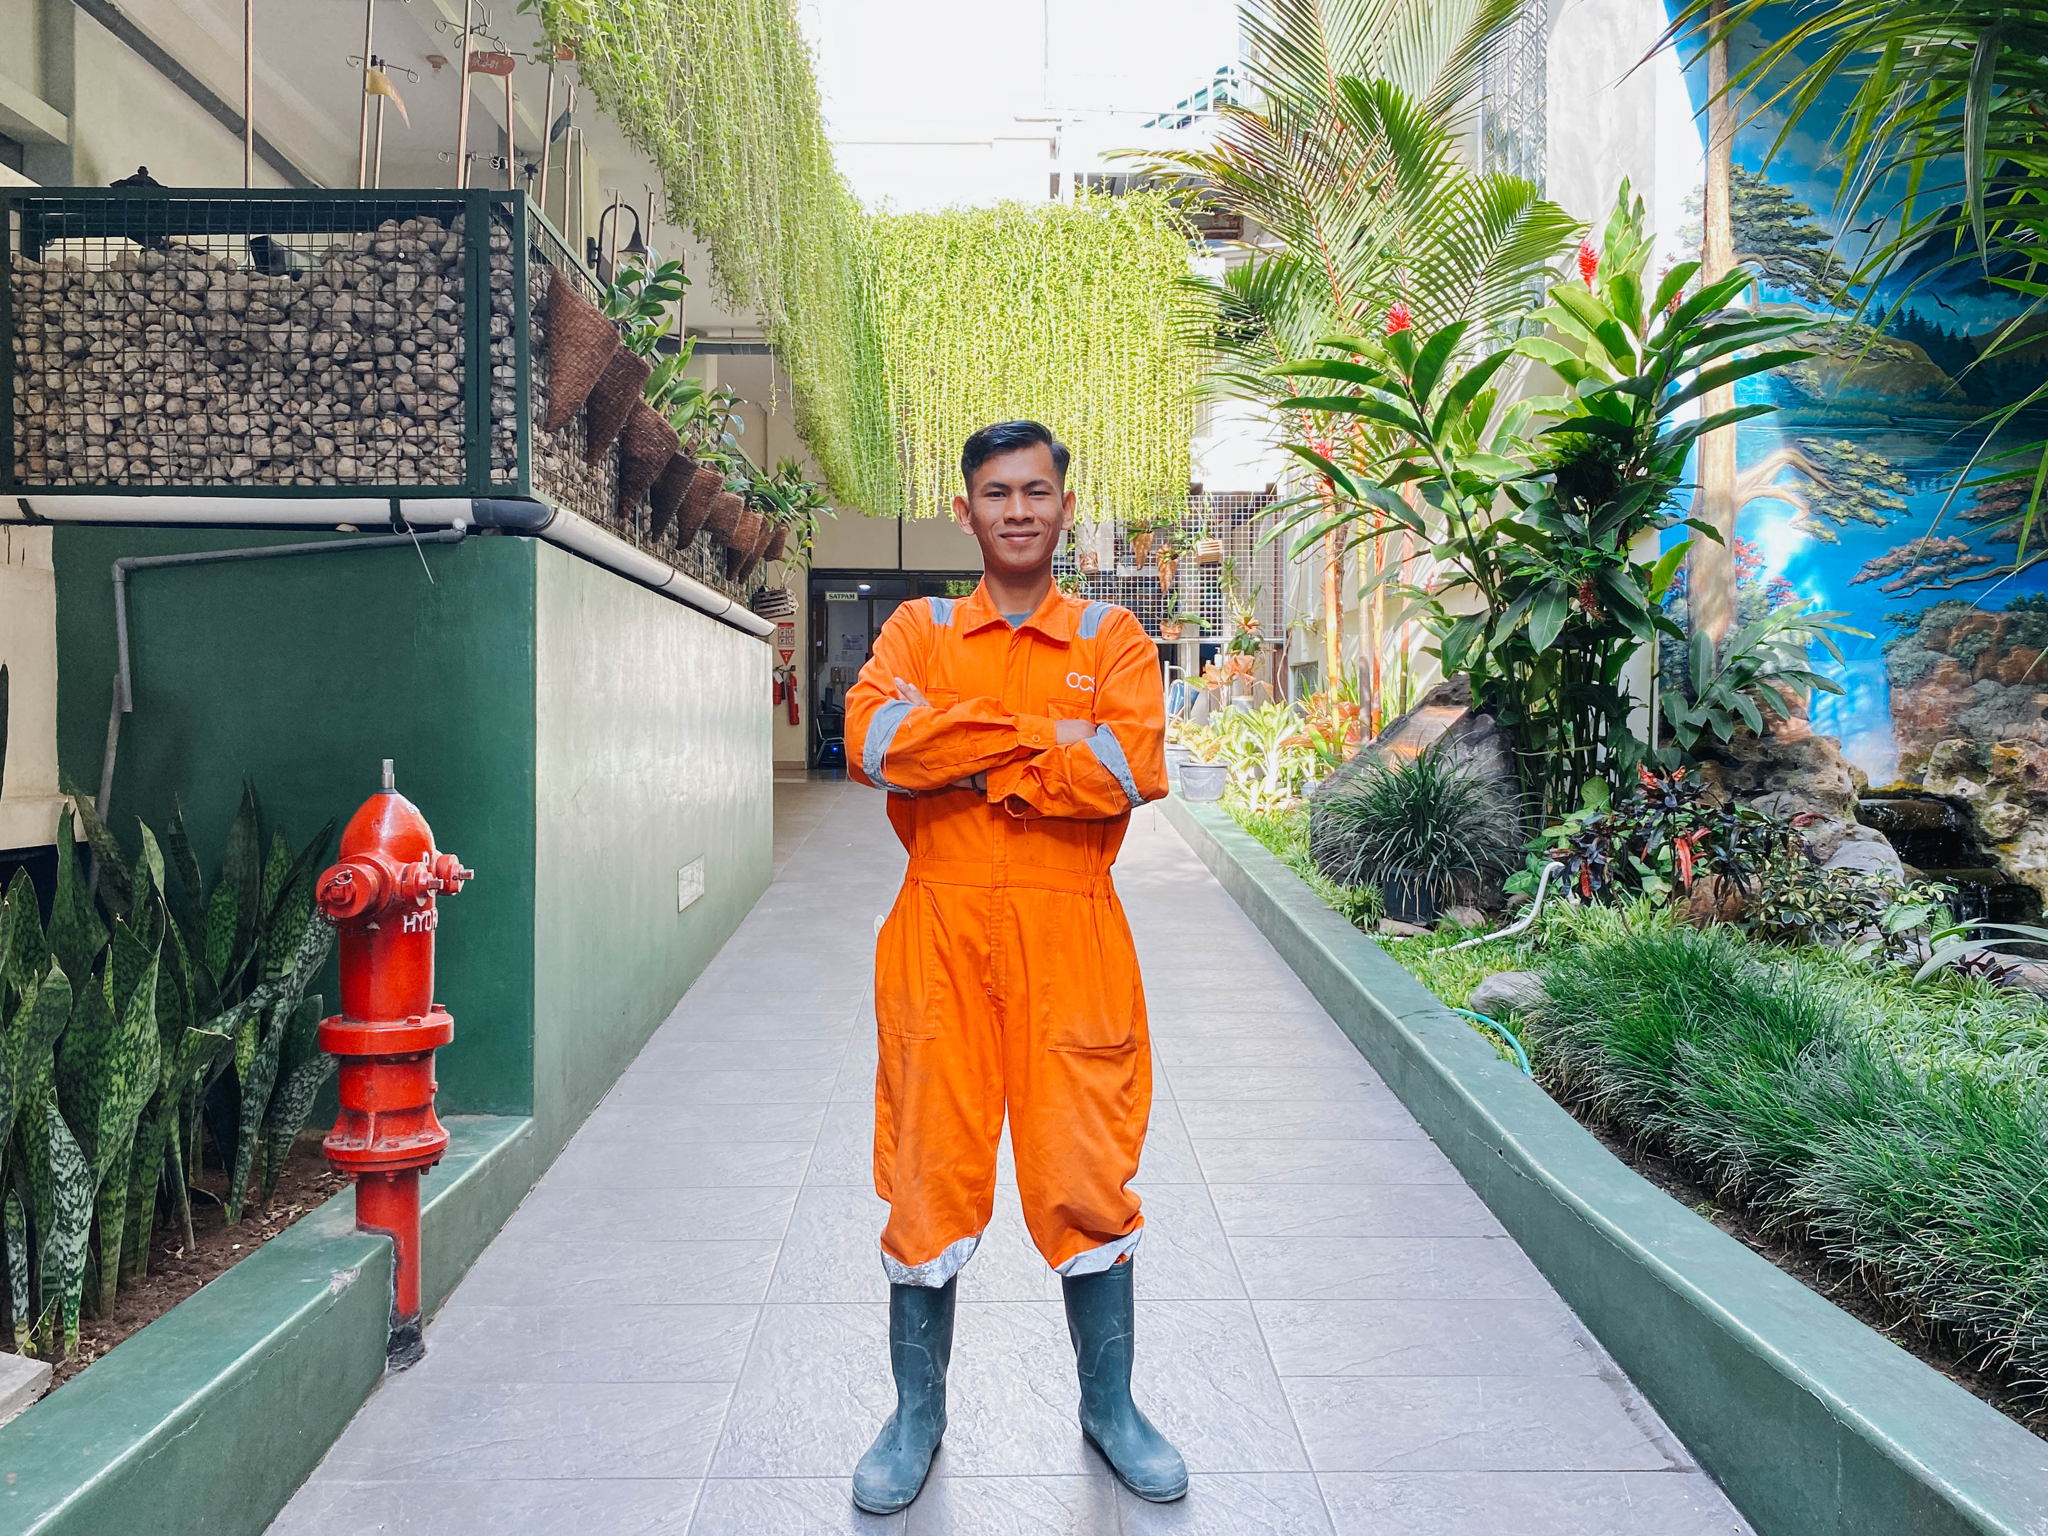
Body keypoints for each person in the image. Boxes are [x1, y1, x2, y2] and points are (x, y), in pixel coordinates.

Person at [843, 420, 1185, 1514]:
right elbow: (874, 743)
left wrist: (961, 746)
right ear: (966, 511)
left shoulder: (1113, 634)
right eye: (997, 493)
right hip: (937, 934)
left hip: (1072, 937)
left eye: (1037, 491)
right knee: (926, 1173)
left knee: (1087, 1172)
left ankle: (1110, 1409)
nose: (1019, 510)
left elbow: (1128, 768)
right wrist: (1041, 740)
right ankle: (916, 1418)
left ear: (1065, 507)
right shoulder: (921, 626)